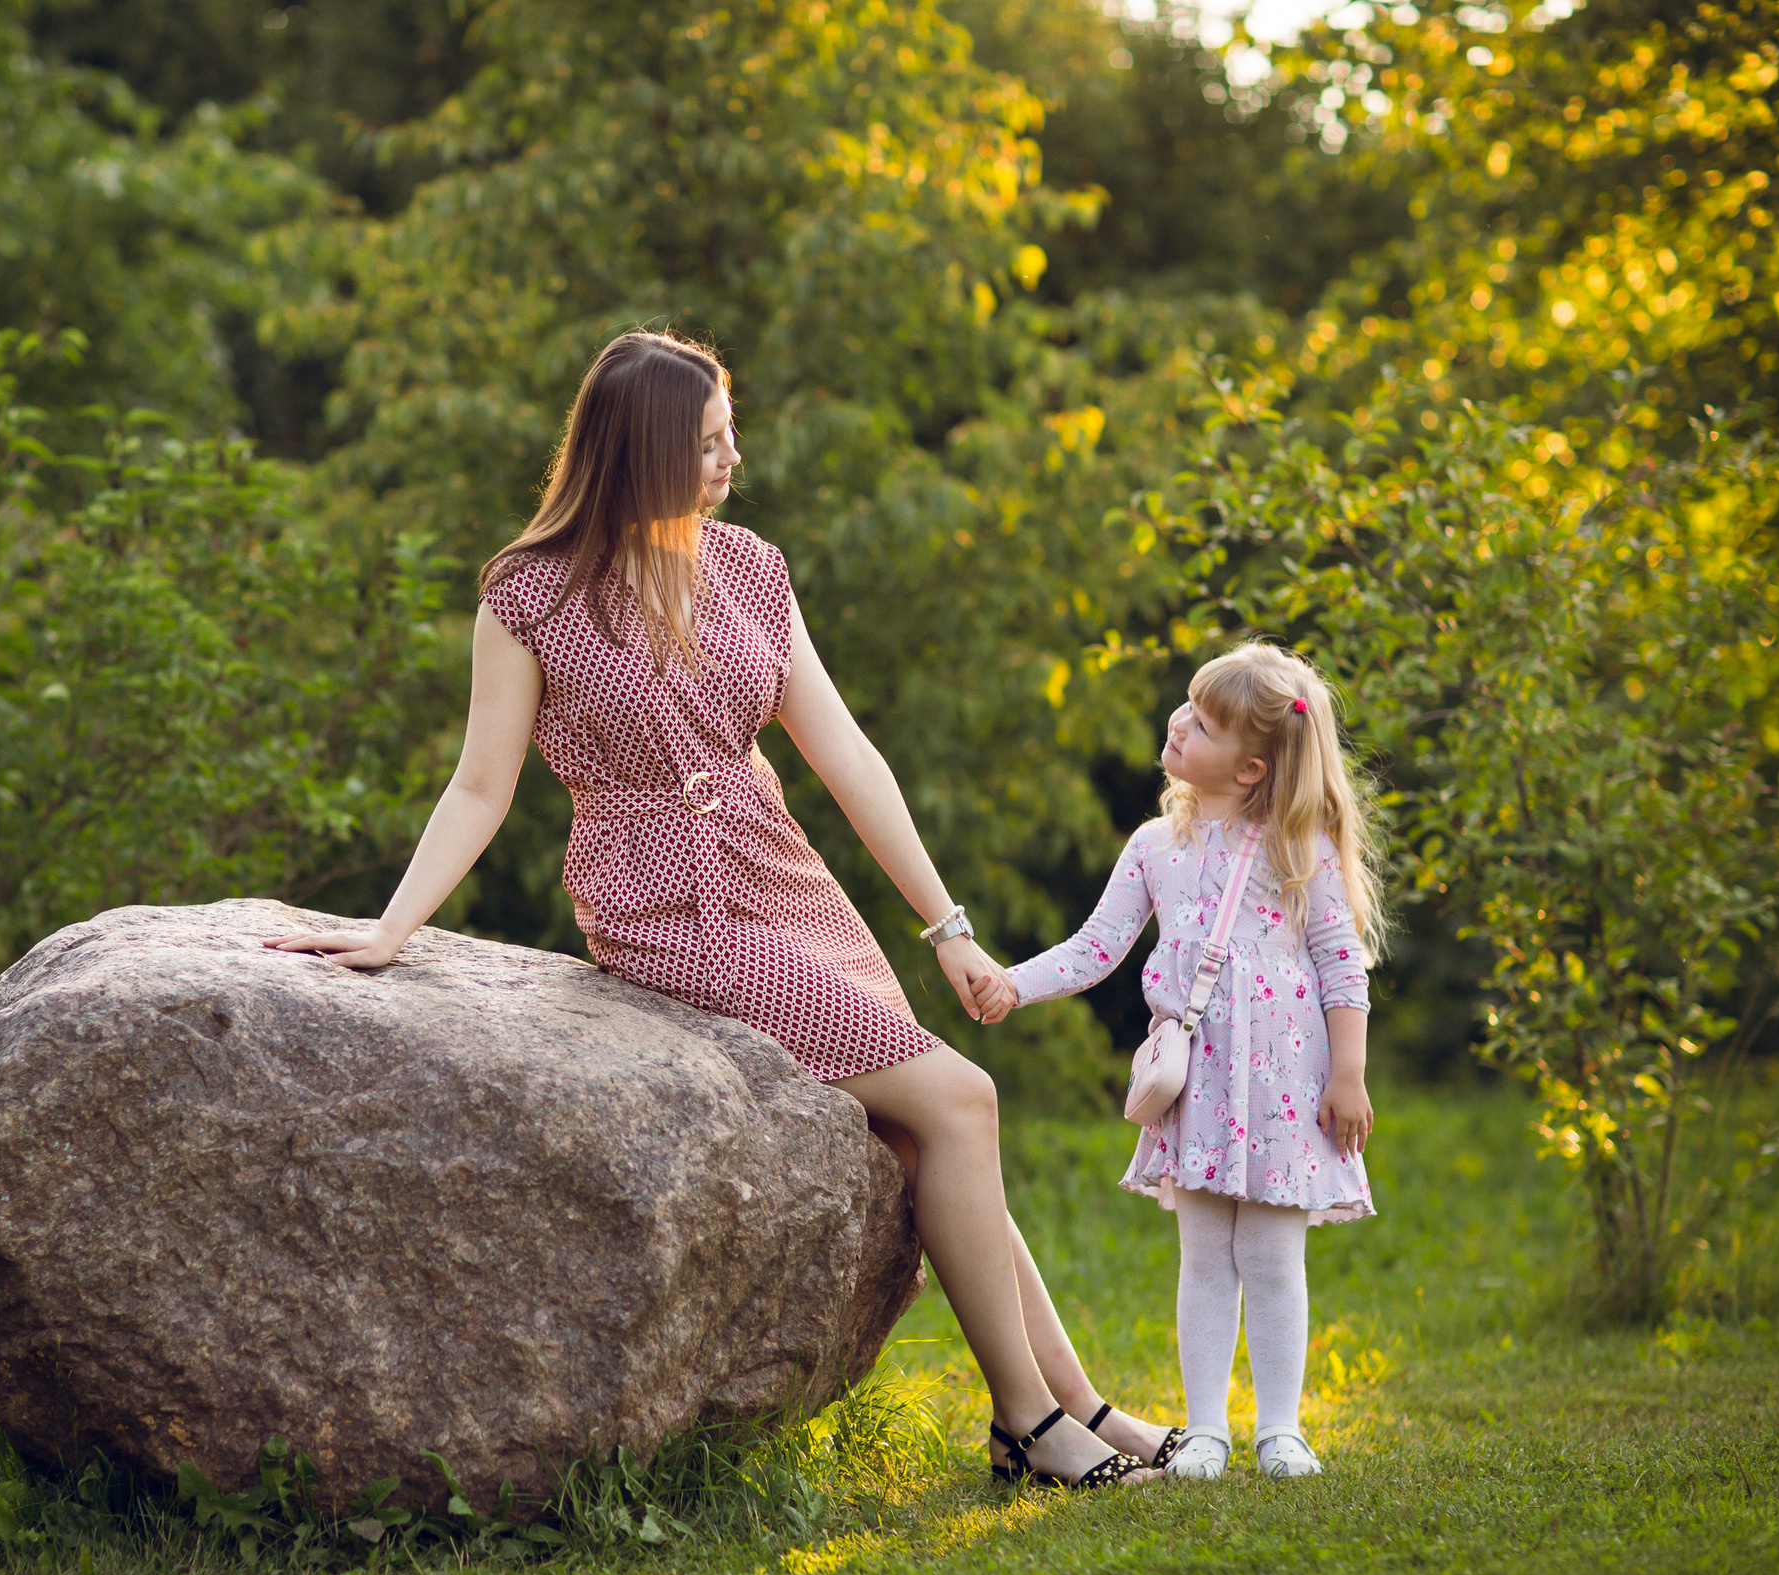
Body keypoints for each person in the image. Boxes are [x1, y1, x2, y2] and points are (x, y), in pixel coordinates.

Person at [265, 330, 1165, 1489]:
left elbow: (845, 755)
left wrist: (949, 931)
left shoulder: (748, 568)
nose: (732, 457)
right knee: (961, 1094)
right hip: (664, 905)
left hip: (782, 876)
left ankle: (1071, 1404)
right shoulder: (527, 597)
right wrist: (391, 930)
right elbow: (480, 785)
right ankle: (1030, 1427)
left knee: (933, 1123)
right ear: (639, 453)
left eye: (730, 430)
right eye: (706, 443)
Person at [989, 642, 1384, 1479]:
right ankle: (1207, 1428)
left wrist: (1347, 1073)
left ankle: (1282, 1427)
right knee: (1204, 1256)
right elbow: (1097, 947)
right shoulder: (1154, 845)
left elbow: (1340, 958)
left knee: (1275, 1255)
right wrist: (1011, 984)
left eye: (1201, 723)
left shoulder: (1295, 845)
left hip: (1285, 1084)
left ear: (1248, 768)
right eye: (1187, 707)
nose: (1178, 723)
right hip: (1201, 1084)